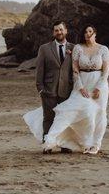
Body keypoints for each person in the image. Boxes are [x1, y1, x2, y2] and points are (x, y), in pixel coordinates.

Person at [23, 24, 109, 155]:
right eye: (85, 32)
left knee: (98, 114)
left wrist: (99, 87)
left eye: (90, 31)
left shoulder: (96, 49)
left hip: (94, 85)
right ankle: (49, 142)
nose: (88, 34)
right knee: (61, 114)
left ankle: (91, 144)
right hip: (73, 85)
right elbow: (74, 70)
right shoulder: (74, 48)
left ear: (95, 33)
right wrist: (80, 87)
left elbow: (106, 70)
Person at [25, 21, 75, 154]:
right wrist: (40, 88)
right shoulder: (45, 48)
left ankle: (65, 144)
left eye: (61, 29)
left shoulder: (74, 48)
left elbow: (75, 71)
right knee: (49, 117)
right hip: (49, 89)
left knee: (65, 118)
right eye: (56, 30)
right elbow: (39, 70)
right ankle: (48, 145)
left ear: (66, 31)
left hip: (67, 90)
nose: (59, 32)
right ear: (53, 33)